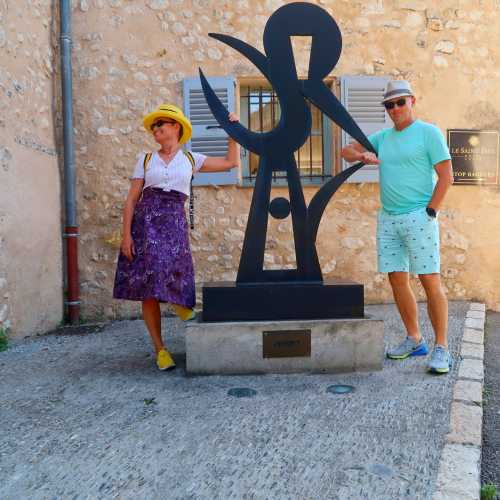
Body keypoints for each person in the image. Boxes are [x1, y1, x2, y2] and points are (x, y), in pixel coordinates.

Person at [113, 103, 239, 371]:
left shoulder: (191, 159)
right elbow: (131, 200)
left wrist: (233, 131)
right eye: (154, 126)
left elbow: (231, 162)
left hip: (174, 220)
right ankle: (160, 350)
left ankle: (175, 300)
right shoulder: (146, 159)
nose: (156, 129)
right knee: (148, 287)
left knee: (173, 265)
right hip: (145, 222)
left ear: (176, 127)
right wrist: (126, 236)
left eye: (162, 124)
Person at [341, 80, 454, 374]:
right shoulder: (383, 137)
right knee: (397, 279)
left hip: (419, 215)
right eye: (389, 105)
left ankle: (442, 346)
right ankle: (415, 339)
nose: (394, 109)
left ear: (412, 101)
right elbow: (345, 152)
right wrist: (363, 155)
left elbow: (446, 176)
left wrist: (430, 211)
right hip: (388, 218)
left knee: (430, 281)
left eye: (400, 102)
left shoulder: (428, 133)